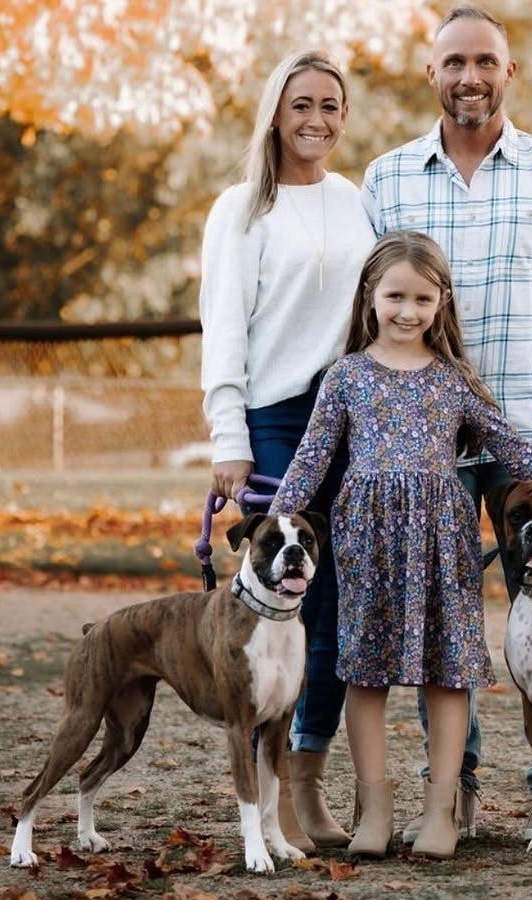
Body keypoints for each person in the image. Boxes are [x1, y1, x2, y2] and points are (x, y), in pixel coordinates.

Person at [361, 4, 532, 839]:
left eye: (485, 61)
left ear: (509, 73)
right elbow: (365, 306)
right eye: (454, 62)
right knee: (441, 612)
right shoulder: (388, 177)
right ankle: (456, 790)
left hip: (529, 438)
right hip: (423, 437)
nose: (469, 76)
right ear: (430, 74)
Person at [268, 231, 532, 860]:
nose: (408, 311)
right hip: (365, 538)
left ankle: (441, 809)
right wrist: (275, 518)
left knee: (448, 672)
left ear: (442, 303)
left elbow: (509, 445)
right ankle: (374, 810)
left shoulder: (454, 380)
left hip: (441, 538)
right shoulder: (344, 377)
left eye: (423, 299)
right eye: (395, 296)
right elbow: (313, 458)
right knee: (363, 671)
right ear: (371, 297)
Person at [198, 49, 375, 854]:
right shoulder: (239, 210)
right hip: (271, 418)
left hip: (347, 413)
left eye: (331, 106)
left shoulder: (355, 201)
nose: (317, 120)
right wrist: (229, 437)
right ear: (275, 112)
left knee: (333, 607)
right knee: (274, 600)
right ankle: (261, 807)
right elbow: (224, 330)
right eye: (302, 104)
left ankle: (305, 780)